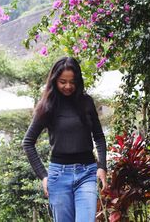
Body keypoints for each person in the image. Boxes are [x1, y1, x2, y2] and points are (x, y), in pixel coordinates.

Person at [22, 56, 107, 222]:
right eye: (63, 82)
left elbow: (99, 137)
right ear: (54, 81)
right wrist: (43, 176)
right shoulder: (47, 106)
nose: (68, 86)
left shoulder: (86, 102)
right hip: (59, 176)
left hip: (87, 173)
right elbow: (28, 142)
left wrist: (102, 166)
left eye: (72, 82)